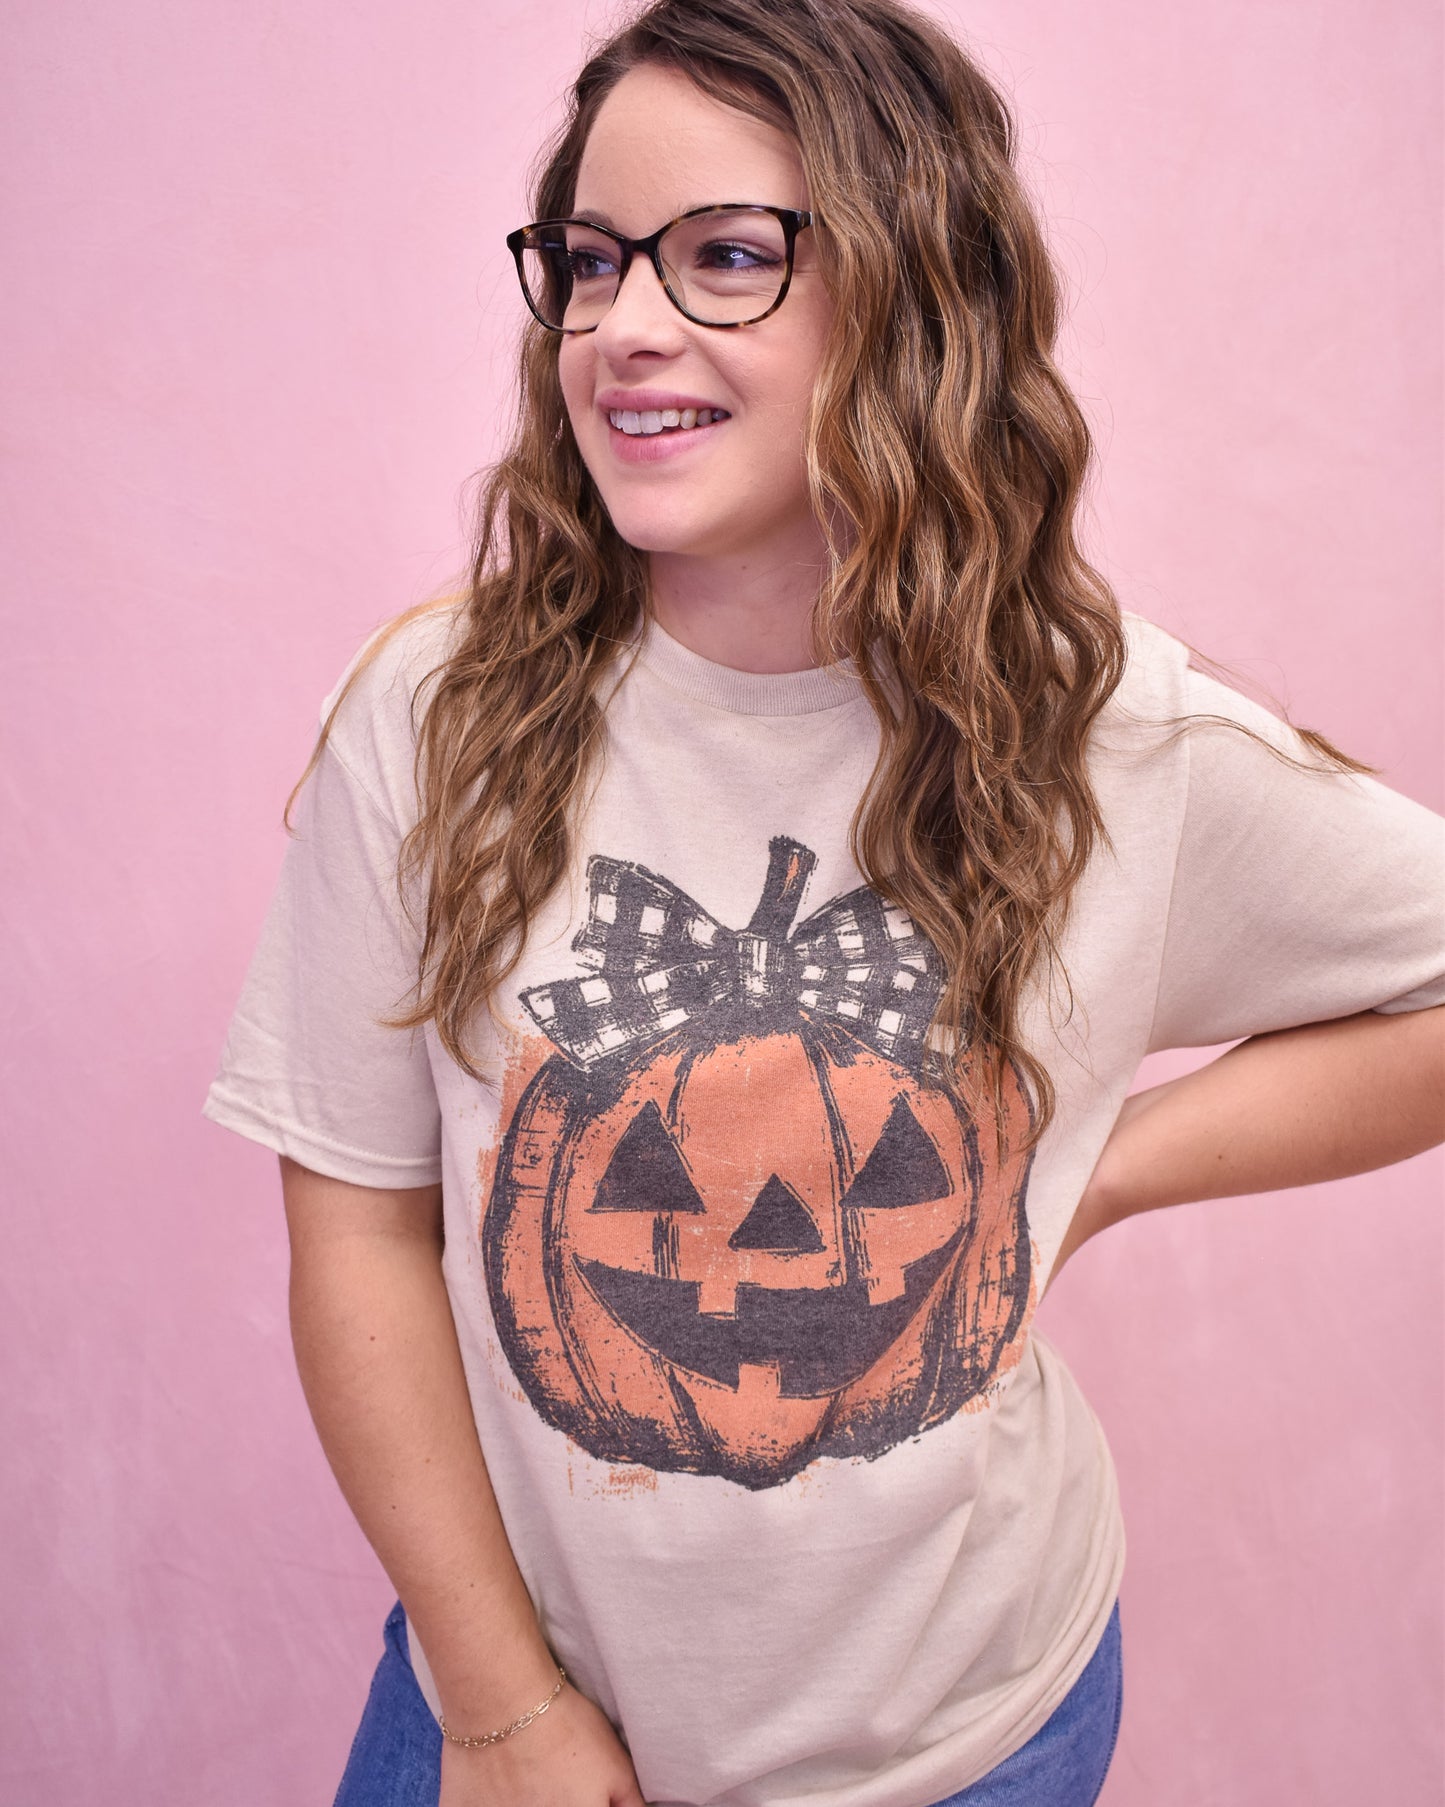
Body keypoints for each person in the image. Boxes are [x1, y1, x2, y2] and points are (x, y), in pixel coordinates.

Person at [202, 1, 1445, 1803]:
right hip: (510, 1699)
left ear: (913, 297)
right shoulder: (435, 721)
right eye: (589, 261)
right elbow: (362, 1234)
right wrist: (501, 1711)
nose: (623, 325)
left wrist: (1089, 1172)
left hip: (972, 1733)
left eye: (723, 258)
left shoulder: (1110, 748)